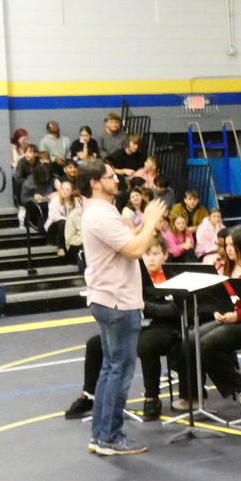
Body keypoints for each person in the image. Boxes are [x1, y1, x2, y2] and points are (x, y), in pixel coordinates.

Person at [78, 158, 167, 455]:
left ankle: (100, 434)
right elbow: (134, 250)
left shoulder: (100, 212)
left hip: (107, 298)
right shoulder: (102, 215)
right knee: (120, 370)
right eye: (110, 177)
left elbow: (132, 243)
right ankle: (109, 436)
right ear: (94, 183)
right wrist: (151, 221)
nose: (117, 181)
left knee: (110, 368)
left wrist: (146, 227)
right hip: (117, 301)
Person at [63, 235, 182, 422]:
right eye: (146, 254)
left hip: (164, 327)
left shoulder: (173, 277)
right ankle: (89, 395)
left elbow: (176, 309)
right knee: (95, 344)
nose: (150, 258)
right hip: (134, 325)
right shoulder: (134, 275)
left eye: (155, 254)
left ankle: (152, 397)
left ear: (166, 255)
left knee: (146, 344)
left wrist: (146, 306)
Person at [176, 224, 241, 410]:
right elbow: (223, 298)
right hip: (230, 318)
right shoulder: (228, 268)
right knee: (189, 339)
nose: (228, 249)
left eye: (232, 245)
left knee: (206, 344)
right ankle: (193, 396)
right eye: (226, 244)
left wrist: (235, 316)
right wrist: (217, 310)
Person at [45, 180, 81, 256]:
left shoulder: (75, 201)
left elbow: (79, 214)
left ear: (71, 192)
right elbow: (54, 216)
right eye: (63, 189)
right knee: (62, 223)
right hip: (53, 226)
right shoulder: (55, 200)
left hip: (69, 226)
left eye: (67, 190)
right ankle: (61, 248)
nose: (64, 192)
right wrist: (69, 221)